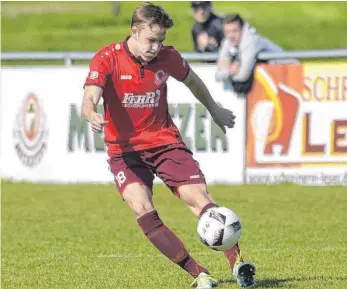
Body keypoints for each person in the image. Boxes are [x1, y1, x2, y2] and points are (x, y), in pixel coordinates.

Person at [82, 3, 256, 288]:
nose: (156, 47)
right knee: (141, 208)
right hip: (124, 151)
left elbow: (193, 81)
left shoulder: (167, 57)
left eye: (160, 40)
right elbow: (89, 97)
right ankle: (198, 273)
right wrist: (91, 113)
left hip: (164, 143)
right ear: (134, 31)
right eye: (151, 40)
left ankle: (238, 264)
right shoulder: (107, 58)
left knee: (199, 199)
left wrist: (214, 109)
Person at [215, 14, 286, 94]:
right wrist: (230, 71)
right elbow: (217, 76)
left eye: (235, 31)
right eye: (227, 32)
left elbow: (242, 76)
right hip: (274, 80)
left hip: (289, 72)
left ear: (242, 29)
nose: (231, 35)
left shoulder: (250, 40)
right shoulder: (227, 41)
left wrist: (227, 70)